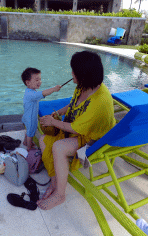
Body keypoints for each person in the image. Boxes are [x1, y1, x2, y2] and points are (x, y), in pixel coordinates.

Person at [37, 50, 116, 210]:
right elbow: (73, 104)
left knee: (58, 147)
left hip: (93, 140)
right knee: (42, 140)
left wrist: (53, 121)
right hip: (79, 128)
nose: (71, 73)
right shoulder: (84, 86)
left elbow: (73, 128)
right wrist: (58, 112)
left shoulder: (99, 101)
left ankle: (60, 195)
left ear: (84, 75)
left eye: (74, 71)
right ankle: (54, 183)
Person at [21, 67, 61, 151]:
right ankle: (29, 147)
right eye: (36, 80)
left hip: (26, 116)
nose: (39, 82)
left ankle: (25, 142)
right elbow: (43, 93)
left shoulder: (29, 91)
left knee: (28, 130)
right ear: (28, 82)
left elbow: (41, 93)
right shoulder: (32, 94)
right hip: (31, 118)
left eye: (40, 79)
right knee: (30, 133)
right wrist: (54, 89)